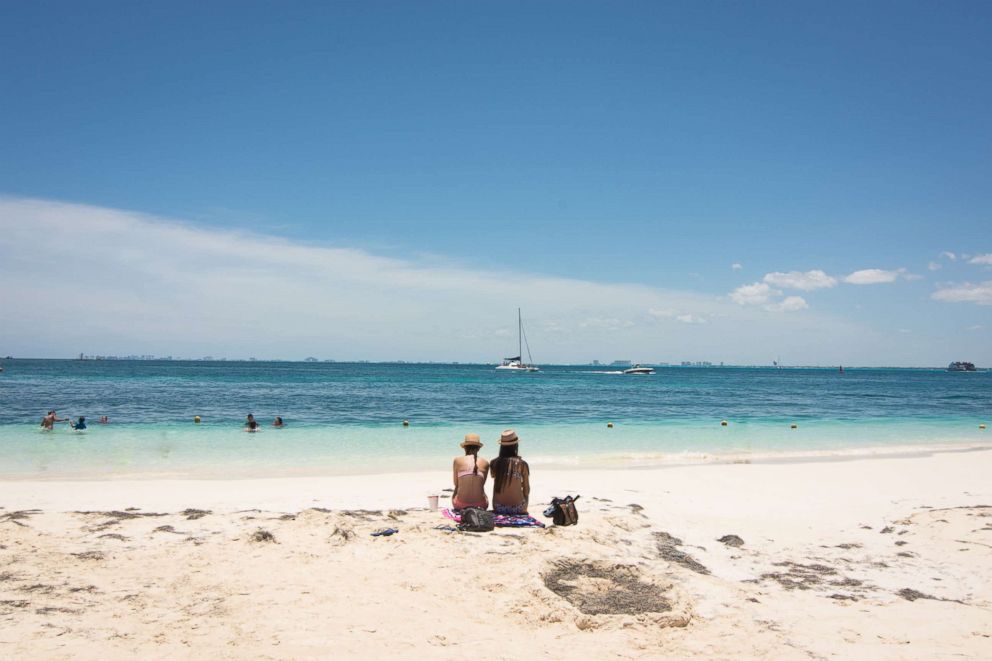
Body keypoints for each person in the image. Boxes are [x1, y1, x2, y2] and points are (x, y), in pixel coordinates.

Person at [491, 429, 530, 515]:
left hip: (498, 507)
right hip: (518, 508)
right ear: (516, 445)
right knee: (525, 492)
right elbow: (526, 489)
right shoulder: (522, 464)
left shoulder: (494, 463)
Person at [451, 433, 489, 510]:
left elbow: (456, 484)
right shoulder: (486, 463)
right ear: (479, 448)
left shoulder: (457, 460)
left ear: (464, 448)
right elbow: (482, 484)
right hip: (481, 505)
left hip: (460, 505)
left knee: (456, 488)